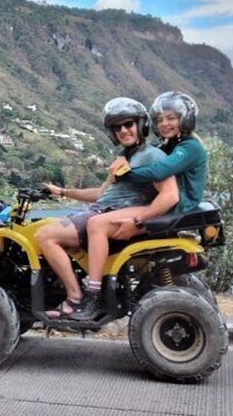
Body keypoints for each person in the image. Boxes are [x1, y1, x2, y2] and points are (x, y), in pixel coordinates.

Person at [34, 97, 179, 320]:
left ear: (140, 125)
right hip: (103, 209)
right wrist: (63, 192)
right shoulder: (125, 158)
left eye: (128, 124)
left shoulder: (152, 155)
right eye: (117, 127)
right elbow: (101, 194)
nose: (123, 130)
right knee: (45, 228)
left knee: (45, 236)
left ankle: (81, 297)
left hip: (111, 215)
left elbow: (170, 195)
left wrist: (138, 221)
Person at [73, 91, 207, 321]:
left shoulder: (190, 147)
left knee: (97, 225)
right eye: (160, 119)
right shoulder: (172, 144)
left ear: (185, 119)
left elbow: (159, 171)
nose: (164, 124)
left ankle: (94, 294)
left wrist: (125, 176)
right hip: (174, 206)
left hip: (176, 207)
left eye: (171, 118)